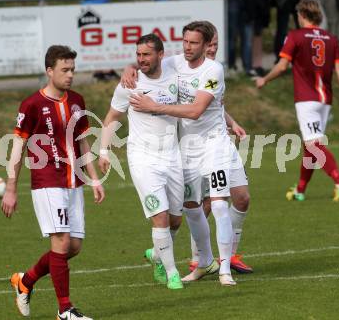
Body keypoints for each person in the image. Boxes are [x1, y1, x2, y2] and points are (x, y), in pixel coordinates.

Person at [126, 21, 247, 286]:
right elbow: (149, 64)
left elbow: (195, 110)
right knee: (192, 208)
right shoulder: (174, 63)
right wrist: (131, 68)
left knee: (217, 204)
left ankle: (225, 268)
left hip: (214, 144)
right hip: (187, 148)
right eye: (185, 41)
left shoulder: (214, 70)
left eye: (194, 43)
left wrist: (156, 107)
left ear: (206, 46)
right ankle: (205, 262)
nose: (188, 47)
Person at [1, 45, 105, 320]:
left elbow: (83, 142)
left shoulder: (77, 100)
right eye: (65, 70)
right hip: (47, 181)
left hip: (74, 182)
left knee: (73, 247)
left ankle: (26, 281)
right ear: (50, 71)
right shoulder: (32, 104)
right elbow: (17, 147)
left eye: (73, 69)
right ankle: (65, 310)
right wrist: (11, 187)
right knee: (61, 243)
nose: (70, 75)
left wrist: (95, 179)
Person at [99, 34, 184, 290]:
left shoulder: (175, 71)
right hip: (142, 158)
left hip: (172, 154)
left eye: (146, 55)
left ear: (161, 54)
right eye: (138, 55)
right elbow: (112, 116)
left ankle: (157, 254)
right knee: (159, 216)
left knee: (176, 220)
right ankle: (172, 273)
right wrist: (103, 151)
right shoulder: (130, 83)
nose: (141, 60)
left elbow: (196, 60)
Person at [255, 0, 339, 202]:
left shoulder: (295, 36)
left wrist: (264, 79)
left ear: (302, 15)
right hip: (325, 100)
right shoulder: (331, 38)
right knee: (310, 145)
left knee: (313, 144)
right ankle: (300, 189)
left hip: (306, 98)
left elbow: (282, 66)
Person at [188, 22, 253, 275]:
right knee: (206, 203)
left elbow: (215, 106)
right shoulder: (189, 70)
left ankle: (231, 254)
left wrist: (233, 123)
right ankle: (199, 259)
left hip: (221, 142)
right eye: (210, 44)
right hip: (199, 146)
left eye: (216, 44)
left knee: (242, 197)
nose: (213, 48)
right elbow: (197, 107)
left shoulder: (215, 70)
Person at [79, 0, 119, 81]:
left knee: (105, 39)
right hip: (90, 7)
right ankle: (98, 70)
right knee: (93, 40)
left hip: (105, 4)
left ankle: (106, 69)